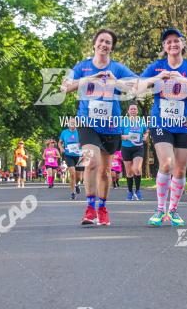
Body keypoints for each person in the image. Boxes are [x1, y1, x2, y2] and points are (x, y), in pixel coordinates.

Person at [61, 28, 137, 226]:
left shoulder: (118, 68)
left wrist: (116, 82)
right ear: (94, 44)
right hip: (87, 122)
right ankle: (89, 208)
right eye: (101, 41)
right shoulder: (82, 67)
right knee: (90, 162)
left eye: (108, 43)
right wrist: (89, 79)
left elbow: (136, 85)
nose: (104, 45)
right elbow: (65, 87)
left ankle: (102, 208)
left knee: (104, 170)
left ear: (111, 47)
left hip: (111, 126)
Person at [137, 28, 187, 227]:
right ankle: (160, 209)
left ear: (182, 44)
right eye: (168, 42)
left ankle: (173, 210)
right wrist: (156, 79)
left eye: (176, 41)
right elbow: (137, 87)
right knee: (167, 164)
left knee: (179, 170)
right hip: (161, 123)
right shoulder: (156, 67)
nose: (172, 44)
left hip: (185, 124)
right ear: (164, 47)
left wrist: (183, 79)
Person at [120, 103, 149, 201]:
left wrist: (146, 136)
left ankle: (137, 190)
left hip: (138, 147)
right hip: (126, 148)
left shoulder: (141, 121)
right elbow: (118, 135)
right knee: (129, 172)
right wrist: (125, 137)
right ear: (128, 111)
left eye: (135, 109)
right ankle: (129, 191)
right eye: (131, 109)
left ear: (137, 111)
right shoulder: (123, 121)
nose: (133, 111)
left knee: (136, 169)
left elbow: (146, 131)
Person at [59, 117, 82, 199]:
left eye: (74, 123)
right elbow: (60, 142)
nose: (72, 124)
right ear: (68, 124)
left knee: (79, 177)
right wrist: (61, 148)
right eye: (71, 123)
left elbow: (84, 142)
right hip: (68, 155)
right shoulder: (64, 132)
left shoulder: (80, 132)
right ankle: (72, 193)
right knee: (72, 174)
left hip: (79, 155)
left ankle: (76, 184)